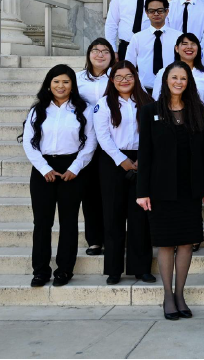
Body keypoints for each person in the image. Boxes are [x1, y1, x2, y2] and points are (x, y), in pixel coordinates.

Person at [137, 61, 204, 320]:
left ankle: (180, 294)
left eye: (183, 78)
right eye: (174, 77)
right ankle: (167, 296)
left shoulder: (196, 110)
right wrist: (142, 191)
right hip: (160, 189)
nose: (179, 82)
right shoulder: (149, 111)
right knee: (166, 243)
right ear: (166, 80)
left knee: (186, 243)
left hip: (189, 187)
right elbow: (145, 154)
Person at [21, 65, 97, 288]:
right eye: (56, 82)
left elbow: (90, 142)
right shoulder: (38, 111)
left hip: (72, 168)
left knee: (69, 221)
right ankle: (40, 270)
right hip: (43, 169)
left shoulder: (84, 110)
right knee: (42, 222)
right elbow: (29, 142)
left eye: (65, 81)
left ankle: (64, 270)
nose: (60, 86)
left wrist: (76, 167)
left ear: (72, 84)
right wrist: (44, 169)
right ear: (48, 84)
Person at [93, 62, 154, 285]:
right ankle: (114, 269)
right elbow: (103, 136)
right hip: (112, 162)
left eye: (129, 76)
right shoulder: (104, 104)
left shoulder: (147, 102)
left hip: (142, 159)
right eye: (119, 77)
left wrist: (142, 160)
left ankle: (141, 268)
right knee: (113, 216)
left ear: (136, 78)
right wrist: (123, 161)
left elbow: (153, 133)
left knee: (140, 217)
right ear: (111, 80)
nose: (124, 80)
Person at [76, 38, 113, 258]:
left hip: (112, 142)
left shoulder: (118, 77)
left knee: (110, 193)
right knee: (90, 193)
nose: (100, 55)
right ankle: (95, 240)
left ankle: (113, 236)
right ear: (89, 54)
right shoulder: (78, 79)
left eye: (105, 51)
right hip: (85, 142)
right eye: (95, 50)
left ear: (112, 55)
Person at [125, 0, 182, 92]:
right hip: (144, 89)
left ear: (167, 11)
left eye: (160, 10)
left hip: (172, 89)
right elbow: (129, 65)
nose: (156, 14)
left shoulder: (178, 36)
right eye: (151, 11)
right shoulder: (137, 38)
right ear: (146, 13)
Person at [153, 33, 204, 109]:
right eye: (185, 44)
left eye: (193, 44)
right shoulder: (163, 72)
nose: (189, 47)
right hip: (169, 116)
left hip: (198, 117)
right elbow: (157, 97)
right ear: (177, 48)